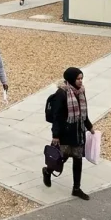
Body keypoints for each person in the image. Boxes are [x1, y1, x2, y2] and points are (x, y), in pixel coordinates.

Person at [42, 67, 94, 200]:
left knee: (78, 160)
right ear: (71, 79)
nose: (81, 81)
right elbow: (57, 116)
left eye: (82, 78)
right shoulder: (62, 93)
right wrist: (56, 135)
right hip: (65, 134)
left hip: (77, 132)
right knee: (60, 158)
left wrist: (89, 127)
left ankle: (76, 188)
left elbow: (84, 113)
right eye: (78, 79)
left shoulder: (81, 92)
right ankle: (47, 171)